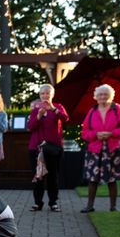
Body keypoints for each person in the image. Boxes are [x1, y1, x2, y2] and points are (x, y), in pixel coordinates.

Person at [80, 85, 120, 213]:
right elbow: (85, 132)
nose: (103, 96)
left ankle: (113, 207)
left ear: (111, 96)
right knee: (93, 179)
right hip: (95, 150)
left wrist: (111, 133)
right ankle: (89, 206)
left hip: (113, 149)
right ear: (96, 97)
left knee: (112, 179)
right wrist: (95, 135)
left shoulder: (117, 109)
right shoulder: (92, 111)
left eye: (105, 94)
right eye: (100, 94)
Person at [27, 84, 70, 212]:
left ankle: (53, 202)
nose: (45, 96)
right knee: (38, 175)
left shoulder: (58, 107)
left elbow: (66, 118)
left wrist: (53, 109)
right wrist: (39, 116)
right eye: (42, 94)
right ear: (39, 95)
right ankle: (37, 203)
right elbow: (30, 127)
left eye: (47, 93)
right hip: (36, 148)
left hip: (54, 147)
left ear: (52, 95)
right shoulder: (35, 109)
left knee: (53, 176)